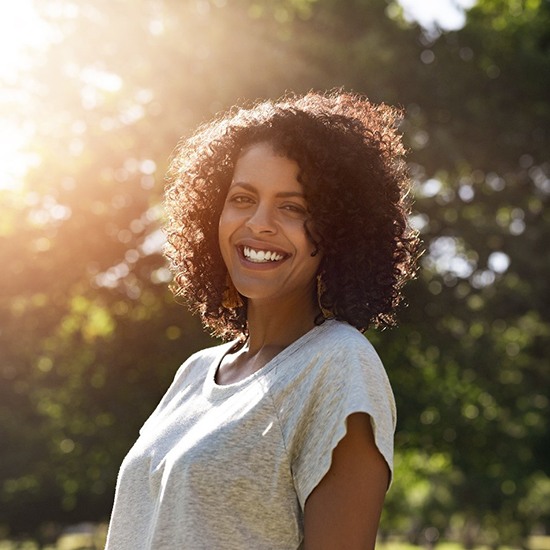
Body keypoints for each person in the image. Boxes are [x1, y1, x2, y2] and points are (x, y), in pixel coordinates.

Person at [105, 90, 419, 549]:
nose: (260, 223)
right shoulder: (194, 373)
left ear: (338, 229)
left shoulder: (340, 366)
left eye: (292, 207)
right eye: (242, 198)